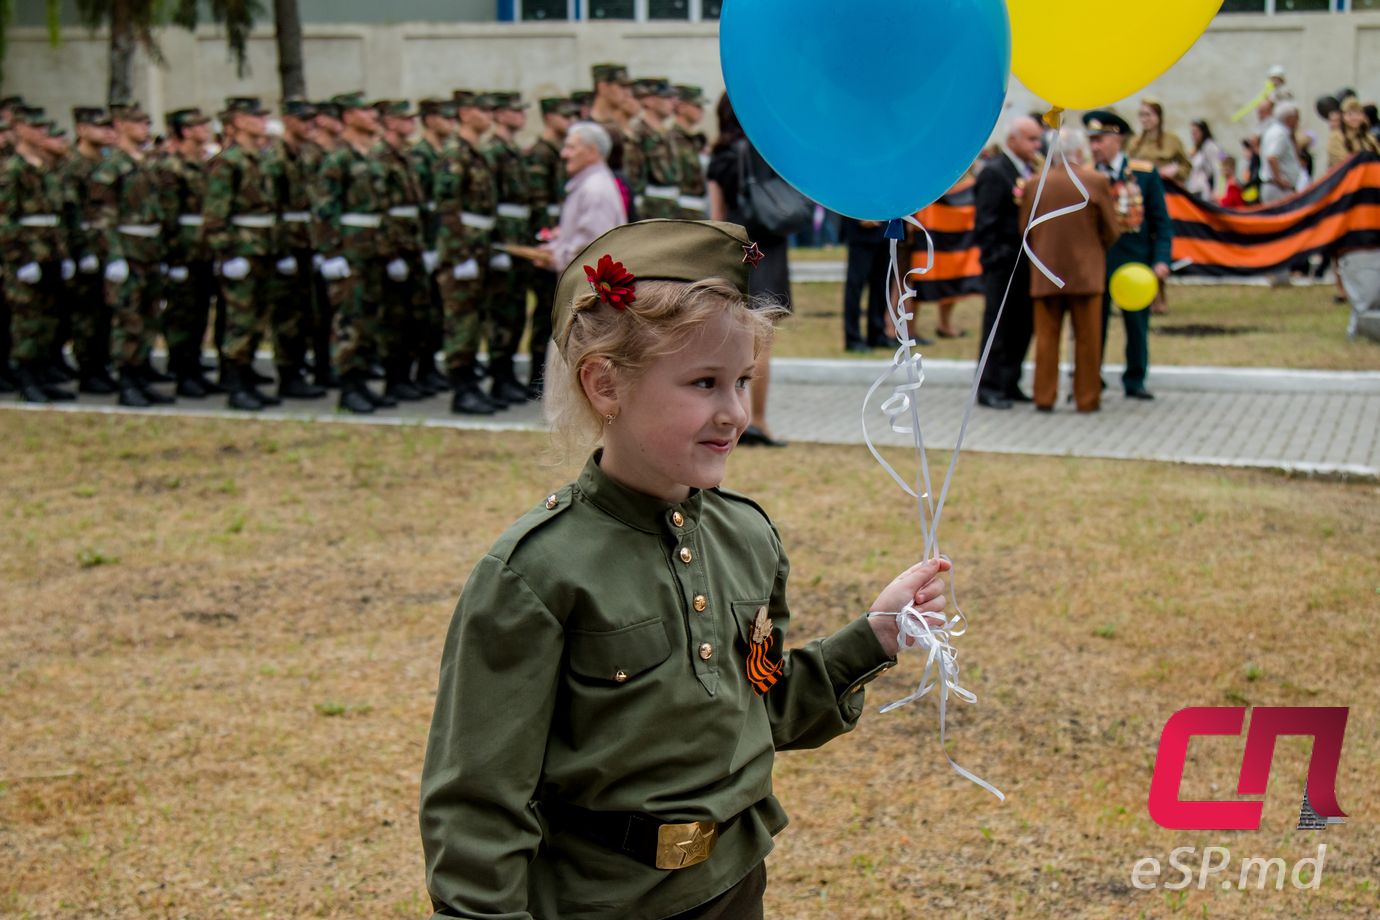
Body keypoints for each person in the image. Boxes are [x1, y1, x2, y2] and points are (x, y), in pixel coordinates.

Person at [420, 217, 951, 920]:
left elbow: (765, 702)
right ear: (605, 384)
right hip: (599, 903)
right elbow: (477, 804)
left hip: (732, 887)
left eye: (742, 381)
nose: (733, 412)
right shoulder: (537, 573)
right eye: (703, 382)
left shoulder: (747, 539)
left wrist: (875, 635)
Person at [707, 95, 791, 446]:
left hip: (736, 250)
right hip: (768, 247)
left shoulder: (721, 156)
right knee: (763, 341)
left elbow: (716, 215)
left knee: (732, 341)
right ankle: (757, 420)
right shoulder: (770, 149)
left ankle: (729, 421)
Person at [1018, 128, 1120, 413]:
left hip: (1045, 271)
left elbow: (1024, 229)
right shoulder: (1096, 180)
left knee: (1046, 338)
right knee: (1088, 339)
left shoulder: (1034, 184)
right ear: (1079, 151)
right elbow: (1111, 229)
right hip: (1086, 272)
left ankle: (1044, 396)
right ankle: (1087, 398)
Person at [311, 92, 395, 414]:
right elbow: (323, 209)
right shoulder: (338, 158)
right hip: (348, 253)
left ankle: (361, 382)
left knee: (368, 320)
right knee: (348, 321)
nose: (373, 115)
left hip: (370, 252)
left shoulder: (370, 156)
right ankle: (348, 387)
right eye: (364, 110)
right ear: (347, 116)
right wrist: (330, 252)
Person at [91, 102, 176, 408]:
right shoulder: (112, 165)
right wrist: (113, 255)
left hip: (151, 249)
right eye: (139, 123)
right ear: (122, 126)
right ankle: (126, 381)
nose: (146, 128)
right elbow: (103, 215)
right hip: (127, 249)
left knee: (150, 316)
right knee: (128, 318)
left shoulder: (149, 163)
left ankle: (140, 375)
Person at [1085, 109, 1172, 401]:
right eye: (1091, 140)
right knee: (1093, 325)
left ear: (1117, 139)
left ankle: (1135, 379)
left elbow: (1160, 221)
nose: (1095, 146)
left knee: (1137, 325)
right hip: (1097, 263)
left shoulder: (1144, 174)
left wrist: (1161, 259)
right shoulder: (1086, 174)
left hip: (1135, 263)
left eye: (1100, 140)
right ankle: (1090, 377)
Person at [2, 111, 76, 403]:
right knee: (27, 321)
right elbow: (5, 218)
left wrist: (65, 253)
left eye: (43, 126)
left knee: (48, 320)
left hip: (50, 253)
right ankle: (26, 379)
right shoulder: (12, 170)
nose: (41, 131)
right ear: (18, 130)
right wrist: (19, 258)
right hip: (27, 254)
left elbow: (56, 217)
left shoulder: (46, 169)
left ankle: (42, 375)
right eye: (34, 127)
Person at [434, 91, 499, 416]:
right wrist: (459, 256)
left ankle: (471, 381)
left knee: (475, 319)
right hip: (463, 251)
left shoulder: (477, 152)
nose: (490, 114)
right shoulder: (454, 154)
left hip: (480, 247)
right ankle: (461, 389)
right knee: (461, 320)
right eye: (482, 109)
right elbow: (447, 209)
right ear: (465, 113)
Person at [972, 113, 1042, 410]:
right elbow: (985, 222)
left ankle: (1011, 381)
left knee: (1023, 325)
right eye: (1031, 139)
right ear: (1012, 140)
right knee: (998, 326)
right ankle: (989, 386)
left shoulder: (1029, 171)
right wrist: (996, 256)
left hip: (1026, 264)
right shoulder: (995, 171)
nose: (1037, 144)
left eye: (1038, 138)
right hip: (1003, 264)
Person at [154, 107, 221, 399]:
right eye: (198, 125)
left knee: (199, 315)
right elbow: (168, 218)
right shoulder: (171, 167)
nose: (205, 128)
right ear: (184, 132)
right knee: (182, 317)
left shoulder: (205, 164)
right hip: (184, 251)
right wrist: (173, 259)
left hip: (204, 250)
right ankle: (183, 373)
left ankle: (194, 370)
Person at [483, 92, 536, 407]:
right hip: (503, 242)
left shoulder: (513, 151)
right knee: (500, 314)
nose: (521, 116)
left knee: (515, 313)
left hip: (519, 243)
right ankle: (498, 375)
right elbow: (487, 201)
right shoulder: (492, 152)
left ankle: (505, 376)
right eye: (514, 111)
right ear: (499, 114)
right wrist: (495, 245)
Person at [61, 107, 119, 395]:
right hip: (85, 247)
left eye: (110, 127)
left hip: (108, 245)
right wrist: (81, 251)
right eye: (99, 127)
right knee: (87, 313)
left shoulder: (108, 163)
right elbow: (72, 214)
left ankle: (102, 365)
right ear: (81, 130)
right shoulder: (72, 165)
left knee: (106, 310)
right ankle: (88, 370)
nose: (107, 132)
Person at [524, 97, 577, 398]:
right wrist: (545, 240)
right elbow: (537, 202)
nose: (569, 121)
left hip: (559, 237)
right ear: (548, 118)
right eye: (564, 115)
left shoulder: (557, 153)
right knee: (545, 309)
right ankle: (535, 373)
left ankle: (544, 374)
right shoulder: (540, 154)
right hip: (547, 241)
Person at [540, 121, 626, 274]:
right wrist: (556, 247)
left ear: (592, 152)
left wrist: (557, 257)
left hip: (587, 287)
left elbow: (591, 245)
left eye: (571, 148)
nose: (563, 154)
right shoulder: (588, 185)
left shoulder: (595, 189)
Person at [839, 218, 892, 352]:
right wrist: (858, 217)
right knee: (855, 286)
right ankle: (853, 338)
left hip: (886, 228)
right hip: (861, 227)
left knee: (882, 285)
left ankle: (877, 333)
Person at [1127, 98, 1191, 183]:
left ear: (1158, 116)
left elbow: (1187, 167)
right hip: (1140, 188)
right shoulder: (1134, 142)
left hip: (1166, 188)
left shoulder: (1172, 140)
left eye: (1148, 115)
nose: (1144, 119)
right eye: (1141, 115)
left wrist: (1175, 171)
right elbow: (1125, 166)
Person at [670, 85, 709, 220]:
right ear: (681, 107)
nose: (702, 110)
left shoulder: (697, 140)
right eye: (697, 106)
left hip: (699, 208)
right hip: (681, 210)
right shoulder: (672, 139)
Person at [1327, 97, 1380, 169]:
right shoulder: (1336, 137)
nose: (1354, 118)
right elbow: (1341, 162)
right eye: (1350, 114)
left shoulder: (1369, 138)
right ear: (1343, 116)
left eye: (1358, 114)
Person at [1185, 119, 1222, 201]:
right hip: (1194, 188)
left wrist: (1217, 190)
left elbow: (1218, 169)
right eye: (1192, 133)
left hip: (1205, 190)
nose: (1193, 136)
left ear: (1203, 132)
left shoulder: (1210, 146)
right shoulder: (1196, 149)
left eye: (1195, 132)